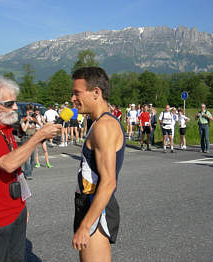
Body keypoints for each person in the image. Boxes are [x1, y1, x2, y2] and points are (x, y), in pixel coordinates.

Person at [0, 77, 61, 262]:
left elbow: (17, 172)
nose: (15, 107)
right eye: (9, 103)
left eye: (15, 102)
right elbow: (8, 164)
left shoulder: (7, 130)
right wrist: (38, 137)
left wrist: (23, 205)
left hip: (16, 210)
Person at [71, 67, 125, 262]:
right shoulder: (96, 123)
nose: (72, 99)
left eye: (77, 92)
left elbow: (109, 182)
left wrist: (85, 226)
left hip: (96, 208)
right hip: (88, 203)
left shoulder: (104, 126)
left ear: (96, 92)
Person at [20, 104, 38, 179]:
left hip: (33, 139)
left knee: (33, 159)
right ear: (26, 112)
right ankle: (28, 174)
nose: (30, 113)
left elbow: (40, 124)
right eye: (28, 112)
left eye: (31, 112)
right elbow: (24, 129)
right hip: (26, 138)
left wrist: (35, 119)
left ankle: (29, 171)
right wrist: (27, 121)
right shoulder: (22, 119)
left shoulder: (34, 119)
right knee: (27, 158)